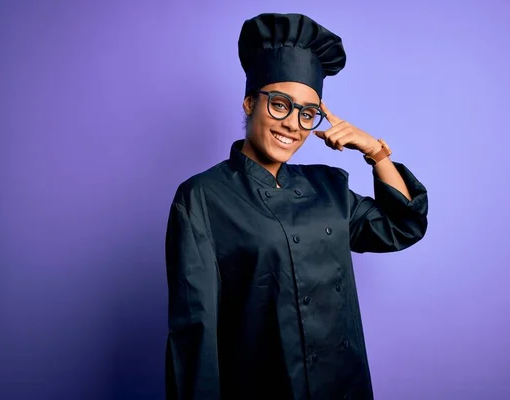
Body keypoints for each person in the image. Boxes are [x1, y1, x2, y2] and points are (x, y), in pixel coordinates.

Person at [164, 12, 429, 400]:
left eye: (307, 113)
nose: (292, 124)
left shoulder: (328, 186)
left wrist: (375, 152)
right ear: (249, 102)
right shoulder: (201, 197)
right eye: (279, 105)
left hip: (344, 387)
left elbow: (403, 226)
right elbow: (195, 331)